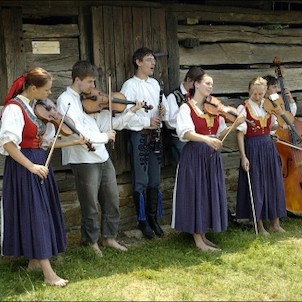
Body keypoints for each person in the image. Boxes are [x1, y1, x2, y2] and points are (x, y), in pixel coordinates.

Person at [0, 67, 87, 286]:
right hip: (25, 167)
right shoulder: (14, 109)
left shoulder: (30, 107)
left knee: (38, 212)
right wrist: (31, 166)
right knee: (35, 215)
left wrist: (73, 141)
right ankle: (49, 275)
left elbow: (46, 142)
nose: (49, 94)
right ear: (32, 88)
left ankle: (34, 262)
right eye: (46, 90)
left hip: (37, 162)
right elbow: (9, 144)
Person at [56, 60, 143, 255]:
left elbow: (111, 125)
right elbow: (75, 132)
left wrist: (132, 111)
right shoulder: (66, 101)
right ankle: (90, 241)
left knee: (112, 199)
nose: (93, 87)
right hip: (83, 159)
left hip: (102, 157)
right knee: (90, 205)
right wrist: (104, 137)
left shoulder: (93, 102)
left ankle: (109, 237)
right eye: (90, 82)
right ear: (77, 80)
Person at [171, 69, 244, 251]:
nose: (211, 87)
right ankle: (198, 241)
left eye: (212, 84)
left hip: (211, 157)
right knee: (197, 193)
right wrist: (206, 139)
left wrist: (234, 125)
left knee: (207, 192)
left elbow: (220, 133)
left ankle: (203, 235)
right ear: (196, 84)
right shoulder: (185, 108)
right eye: (207, 83)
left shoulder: (213, 109)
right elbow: (185, 133)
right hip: (194, 155)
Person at [120, 47, 169, 239]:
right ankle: (143, 221)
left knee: (155, 179)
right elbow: (125, 116)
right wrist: (146, 121)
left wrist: (163, 113)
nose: (153, 63)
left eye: (153, 60)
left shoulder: (156, 84)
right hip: (139, 136)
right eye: (149, 60)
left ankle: (153, 218)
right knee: (141, 180)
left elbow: (163, 108)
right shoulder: (129, 86)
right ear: (138, 62)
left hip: (156, 136)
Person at [236, 77, 287, 235]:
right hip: (253, 147)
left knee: (273, 182)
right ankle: (259, 225)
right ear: (249, 91)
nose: (257, 97)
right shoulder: (243, 107)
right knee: (257, 184)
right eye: (254, 93)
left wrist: (277, 123)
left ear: (265, 92)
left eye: (260, 93)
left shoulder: (268, 106)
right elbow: (240, 134)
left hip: (268, 146)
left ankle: (275, 223)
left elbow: (272, 126)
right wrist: (243, 156)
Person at [165, 67, 203, 163]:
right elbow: (169, 122)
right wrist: (185, 109)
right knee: (185, 169)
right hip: (180, 140)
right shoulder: (173, 96)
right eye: (196, 84)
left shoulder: (198, 96)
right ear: (189, 80)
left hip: (196, 138)